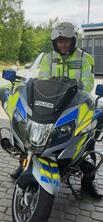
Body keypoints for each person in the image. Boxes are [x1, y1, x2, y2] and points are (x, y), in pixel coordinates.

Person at [10, 21, 102, 199]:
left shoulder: (85, 58)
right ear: (55, 42)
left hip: (75, 102)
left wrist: (78, 86)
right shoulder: (47, 58)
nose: (63, 44)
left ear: (73, 40)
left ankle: (88, 181)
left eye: (66, 40)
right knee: (31, 131)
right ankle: (25, 164)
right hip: (52, 102)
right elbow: (41, 79)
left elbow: (89, 83)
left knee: (87, 138)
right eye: (59, 41)